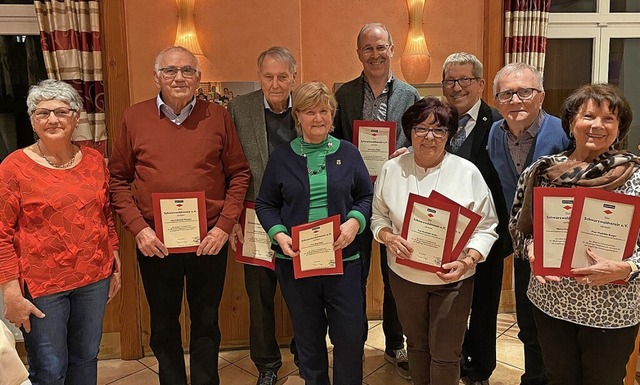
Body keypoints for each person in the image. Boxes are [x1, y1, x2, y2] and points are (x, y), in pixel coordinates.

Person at [108, 46, 250, 385]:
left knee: (206, 322)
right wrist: (140, 230)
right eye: (170, 70)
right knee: (162, 323)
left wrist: (224, 226)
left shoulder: (217, 117)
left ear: (199, 78)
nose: (179, 77)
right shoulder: (135, 117)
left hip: (209, 241)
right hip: (155, 243)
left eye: (188, 70)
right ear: (156, 76)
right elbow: (117, 180)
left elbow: (239, 174)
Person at [511, 83, 640, 385]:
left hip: (611, 311)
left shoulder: (635, 178)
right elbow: (520, 227)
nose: (597, 125)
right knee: (559, 378)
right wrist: (531, 247)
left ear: (619, 128)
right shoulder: (542, 172)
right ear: (571, 122)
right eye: (589, 116)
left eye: (609, 118)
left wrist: (627, 267)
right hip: (551, 304)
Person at [0, 79, 121, 385]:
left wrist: (114, 256)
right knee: (50, 369)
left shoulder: (94, 160)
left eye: (61, 111)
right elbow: (1, 234)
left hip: (94, 278)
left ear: (76, 118)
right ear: (32, 120)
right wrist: (11, 292)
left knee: (85, 358)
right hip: (43, 286)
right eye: (43, 113)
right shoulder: (13, 168)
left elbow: (105, 213)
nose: (52, 119)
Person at [371, 97, 498, 385]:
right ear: (410, 132)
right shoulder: (392, 169)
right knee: (416, 346)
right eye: (421, 129)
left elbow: (487, 226)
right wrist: (388, 236)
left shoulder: (467, 173)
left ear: (449, 134)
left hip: (453, 278)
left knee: (445, 354)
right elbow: (378, 217)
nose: (429, 137)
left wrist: (468, 260)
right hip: (405, 276)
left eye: (439, 130)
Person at [255, 81, 373, 385]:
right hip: (296, 264)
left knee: (349, 337)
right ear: (298, 116)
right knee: (308, 339)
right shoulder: (282, 158)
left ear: (332, 115)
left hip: (344, 262)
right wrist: (279, 234)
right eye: (310, 111)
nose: (317, 118)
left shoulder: (349, 153)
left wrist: (355, 221)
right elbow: (266, 203)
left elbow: (366, 196)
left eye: (324, 111)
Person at [333, 22, 420, 380]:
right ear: (358, 54)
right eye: (367, 48)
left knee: (394, 276)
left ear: (392, 49)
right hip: (355, 198)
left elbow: (421, 138)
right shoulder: (343, 94)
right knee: (353, 273)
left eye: (380, 47)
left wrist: (409, 148)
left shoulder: (410, 94)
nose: (375, 54)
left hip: (396, 198)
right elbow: (335, 140)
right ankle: (350, 342)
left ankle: (394, 341)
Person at [487, 62, 570, 385]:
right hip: (524, 248)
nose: (516, 100)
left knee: (558, 325)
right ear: (497, 101)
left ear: (541, 96)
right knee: (529, 323)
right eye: (507, 94)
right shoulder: (495, 134)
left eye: (525, 91)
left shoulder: (563, 133)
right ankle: (533, 378)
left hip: (560, 249)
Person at [227, 46, 298, 385]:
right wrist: (231, 220)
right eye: (268, 76)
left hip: (302, 216)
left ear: (293, 78)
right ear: (259, 77)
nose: (275, 84)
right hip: (254, 215)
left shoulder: (309, 105)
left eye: (282, 77)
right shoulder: (239, 108)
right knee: (259, 297)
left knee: (305, 291)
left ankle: (305, 350)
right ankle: (267, 365)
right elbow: (228, 165)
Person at [441, 52, 511, 385]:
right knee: (448, 305)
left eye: (464, 80)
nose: (456, 88)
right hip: (442, 233)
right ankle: (449, 361)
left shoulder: (498, 123)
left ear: (480, 84)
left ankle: (480, 369)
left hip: (486, 235)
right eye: (450, 80)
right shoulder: (438, 121)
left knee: (483, 306)